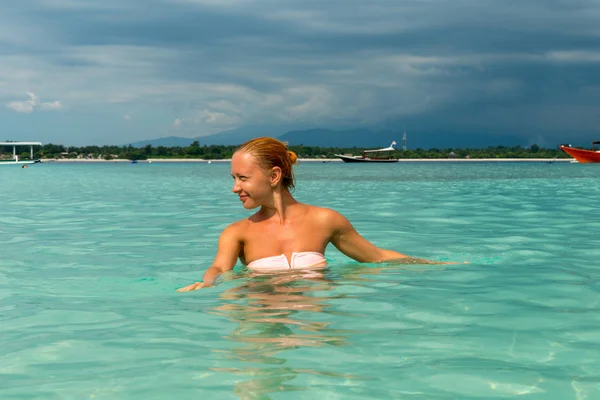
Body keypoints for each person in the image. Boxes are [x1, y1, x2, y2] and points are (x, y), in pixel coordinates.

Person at [178, 137, 451, 292]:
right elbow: (219, 268)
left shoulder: (325, 221)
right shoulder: (237, 232)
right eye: (234, 178)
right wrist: (207, 283)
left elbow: (376, 257)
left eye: (243, 178)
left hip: (316, 322)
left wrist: (434, 265)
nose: (235, 187)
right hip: (261, 321)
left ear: (274, 175)